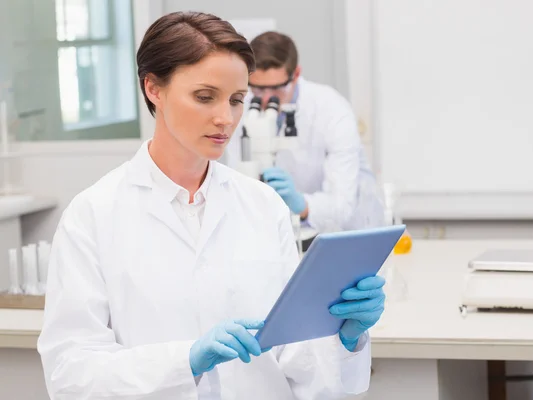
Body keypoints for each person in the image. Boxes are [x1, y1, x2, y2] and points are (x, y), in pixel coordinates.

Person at [36, 11, 387, 400]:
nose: (226, 119)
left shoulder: (262, 206)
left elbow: (299, 358)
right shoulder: (93, 215)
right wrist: (184, 361)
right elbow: (71, 374)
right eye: (205, 97)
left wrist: (344, 337)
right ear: (153, 87)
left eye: (237, 100)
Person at [225, 31, 385, 233]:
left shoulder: (330, 108)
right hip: (278, 232)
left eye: (276, 89)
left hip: (342, 231)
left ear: (296, 74)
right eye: (257, 89)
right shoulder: (242, 107)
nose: (265, 99)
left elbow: (342, 204)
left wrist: (300, 203)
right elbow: (235, 177)